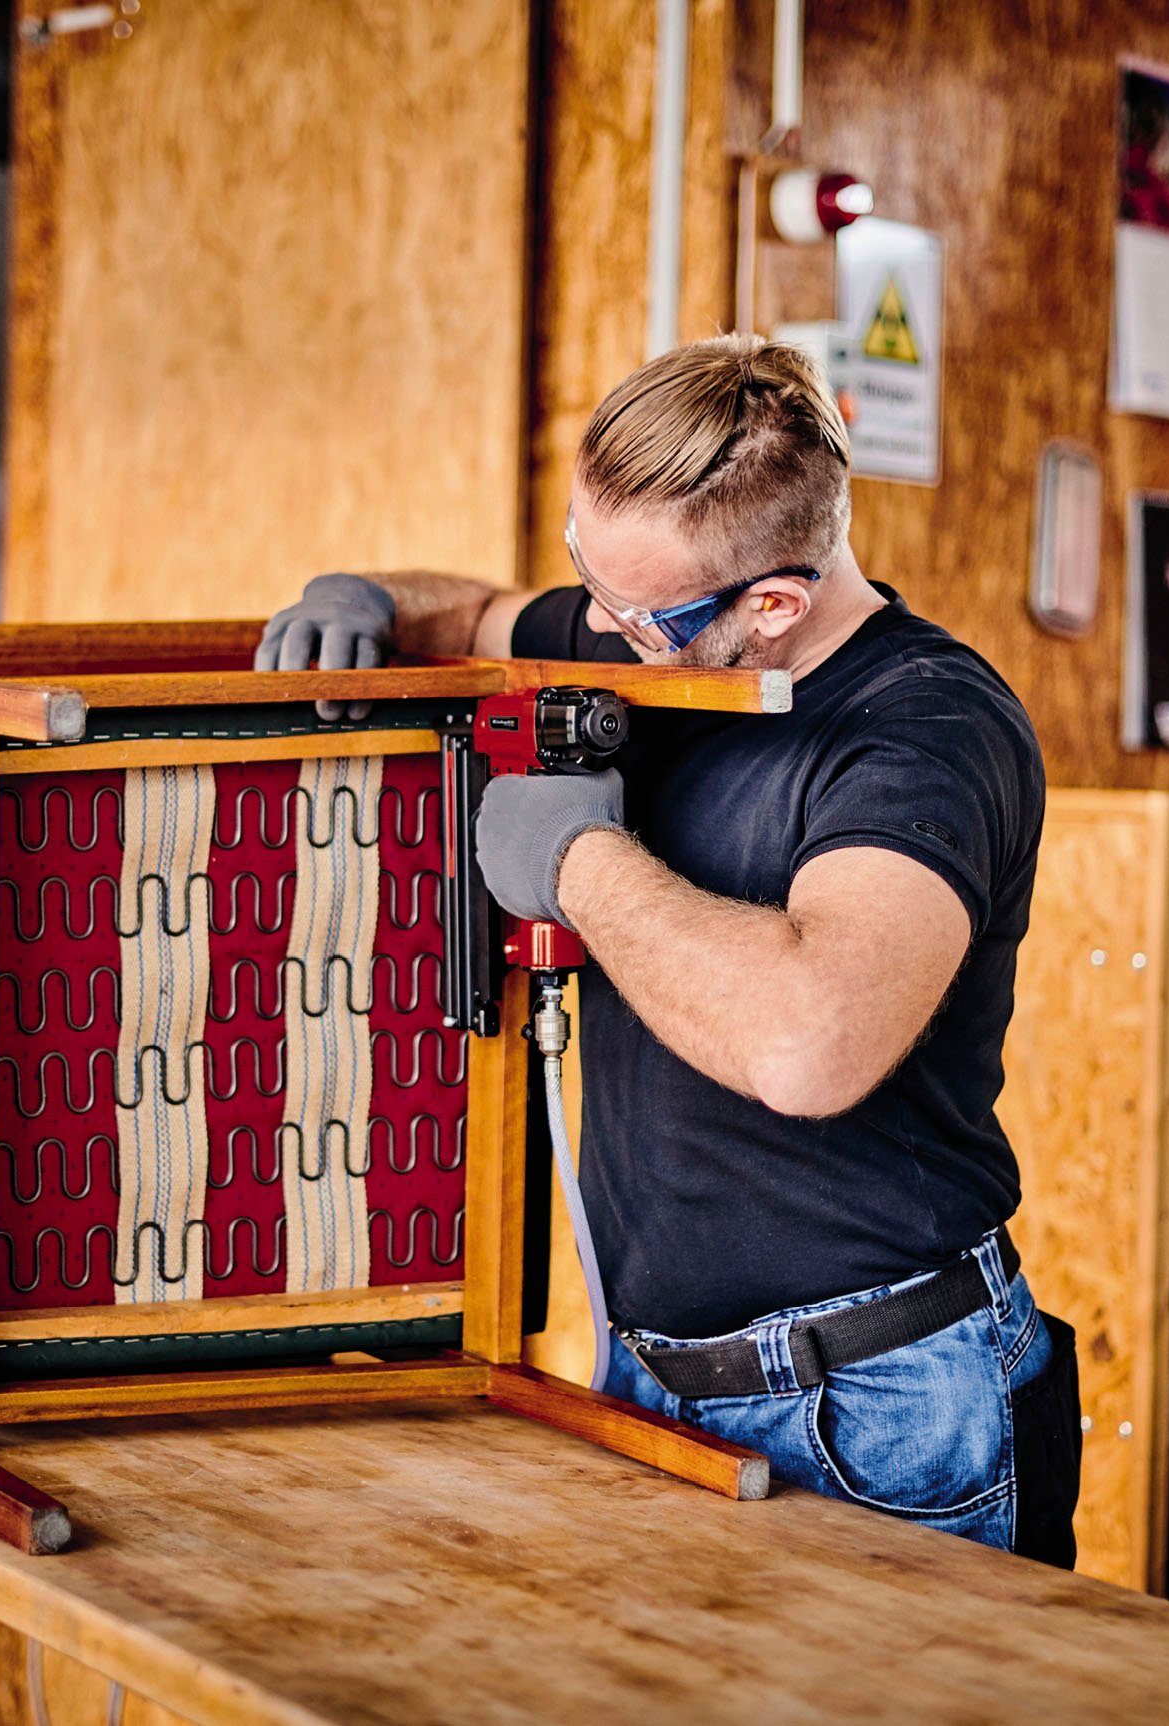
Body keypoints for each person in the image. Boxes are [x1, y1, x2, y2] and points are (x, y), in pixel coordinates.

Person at [254, 334, 1083, 1564]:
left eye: (633, 612)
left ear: (773, 605)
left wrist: (577, 864)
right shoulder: (644, 626)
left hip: (878, 1406)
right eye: (587, 567)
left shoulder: (927, 728)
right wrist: (362, 599)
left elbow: (812, 1042)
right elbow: (473, 609)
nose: (593, 624)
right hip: (646, 1380)